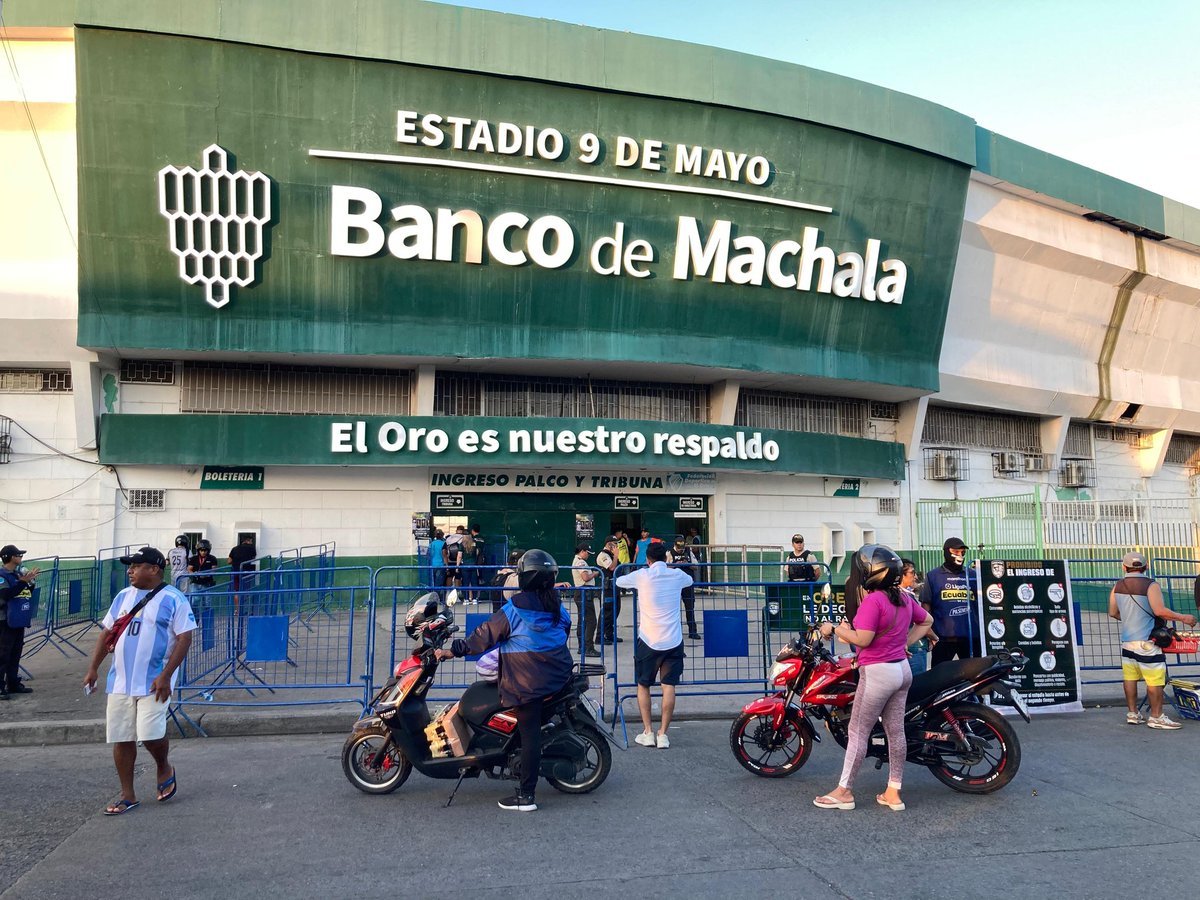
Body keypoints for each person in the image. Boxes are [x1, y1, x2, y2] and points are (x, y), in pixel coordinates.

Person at [434, 549, 572, 812]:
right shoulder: (556, 604)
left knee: (530, 735)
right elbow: (565, 630)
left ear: (524, 577)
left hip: (528, 682)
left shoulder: (514, 608)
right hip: (558, 673)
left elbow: (484, 636)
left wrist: (453, 650)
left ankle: (526, 796)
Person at [814, 544, 932, 812]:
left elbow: (864, 639)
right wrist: (904, 643)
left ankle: (844, 792)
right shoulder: (903, 598)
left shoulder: (873, 601)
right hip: (902, 670)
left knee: (857, 731)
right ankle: (893, 793)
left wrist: (834, 628)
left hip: (878, 673)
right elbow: (927, 622)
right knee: (896, 731)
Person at [83, 546, 196, 815]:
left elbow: (184, 638)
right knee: (121, 736)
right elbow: (107, 633)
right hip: (120, 681)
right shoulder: (123, 596)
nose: (130, 571)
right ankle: (127, 794)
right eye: (130, 567)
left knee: (150, 734)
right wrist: (93, 668)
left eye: (136, 566)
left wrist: (166, 675)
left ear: (154, 569)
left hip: (154, 680)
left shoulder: (174, 599)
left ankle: (163, 766)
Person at [616, 541, 693, 749]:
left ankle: (648, 732)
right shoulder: (677, 575)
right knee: (669, 686)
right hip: (673, 640)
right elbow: (690, 580)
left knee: (643, 684)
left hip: (649, 639)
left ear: (648, 560)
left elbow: (619, 581)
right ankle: (663, 734)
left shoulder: (642, 575)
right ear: (666, 558)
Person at [1108, 551, 1197, 729]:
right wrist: (1184, 618)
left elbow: (1112, 612)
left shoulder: (1117, 586)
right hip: (1148, 641)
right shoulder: (1151, 585)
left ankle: (1133, 713)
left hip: (1128, 641)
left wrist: (1131, 619)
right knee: (1155, 680)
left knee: (1130, 678)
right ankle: (1156, 717)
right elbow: (1159, 611)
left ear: (1124, 567)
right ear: (1146, 566)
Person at [920, 537, 975, 664]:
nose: (960, 555)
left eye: (962, 552)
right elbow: (925, 606)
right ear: (946, 552)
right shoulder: (933, 576)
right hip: (943, 638)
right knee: (939, 674)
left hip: (971, 638)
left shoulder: (972, 575)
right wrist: (929, 632)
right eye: (956, 552)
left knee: (975, 673)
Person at [0, 545, 40, 700]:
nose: (20, 557)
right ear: (10, 557)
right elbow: (6, 594)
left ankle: (13, 683)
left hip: (17, 619)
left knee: (15, 653)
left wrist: (30, 583)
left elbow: (24, 592)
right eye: (18, 555)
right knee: (3, 655)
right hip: (5, 620)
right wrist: (23, 582)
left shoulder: (17, 574)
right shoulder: (2, 575)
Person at [900, 558, 934, 677]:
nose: (915, 577)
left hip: (904, 648)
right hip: (915, 647)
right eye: (912, 573)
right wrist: (934, 637)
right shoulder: (906, 597)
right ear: (901, 575)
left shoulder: (894, 595)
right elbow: (922, 622)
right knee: (917, 683)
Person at [667, 535, 701, 640]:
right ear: (674, 545)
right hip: (674, 585)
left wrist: (688, 564)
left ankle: (693, 631)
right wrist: (676, 564)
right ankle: (674, 632)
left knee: (690, 607)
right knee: (673, 609)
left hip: (687, 584)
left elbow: (696, 566)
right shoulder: (669, 553)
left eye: (682, 548)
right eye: (679, 549)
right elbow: (665, 567)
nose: (681, 551)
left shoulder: (689, 552)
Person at [571, 543, 599, 655]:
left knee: (582, 621)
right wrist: (595, 574)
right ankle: (588, 648)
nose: (588, 555)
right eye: (587, 553)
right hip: (584, 592)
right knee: (591, 621)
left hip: (581, 593)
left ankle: (582, 647)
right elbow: (585, 577)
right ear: (582, 551)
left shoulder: (577, 561)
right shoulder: (580, 562)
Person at [595, 536, 621, 643]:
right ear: (609, 544)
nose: (617, 545)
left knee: (615, 611)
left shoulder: (611, 554)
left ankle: (609, 634)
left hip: (614, 587)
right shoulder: (603, 555)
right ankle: (599, 637)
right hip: (607, 588)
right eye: (615, 543)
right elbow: (612, 567)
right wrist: (616, 555)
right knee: (606, 612)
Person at [228, 535, 257, 607]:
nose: (251, 543)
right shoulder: (251, 548)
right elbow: (253, 558)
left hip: (236, 572)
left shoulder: (234, 548)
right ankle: (243, 607)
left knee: (236, 591)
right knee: (245, 591)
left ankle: (237, 610)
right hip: (246, 572)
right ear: (248, 541)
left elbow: (229, 561)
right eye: (251, 541)